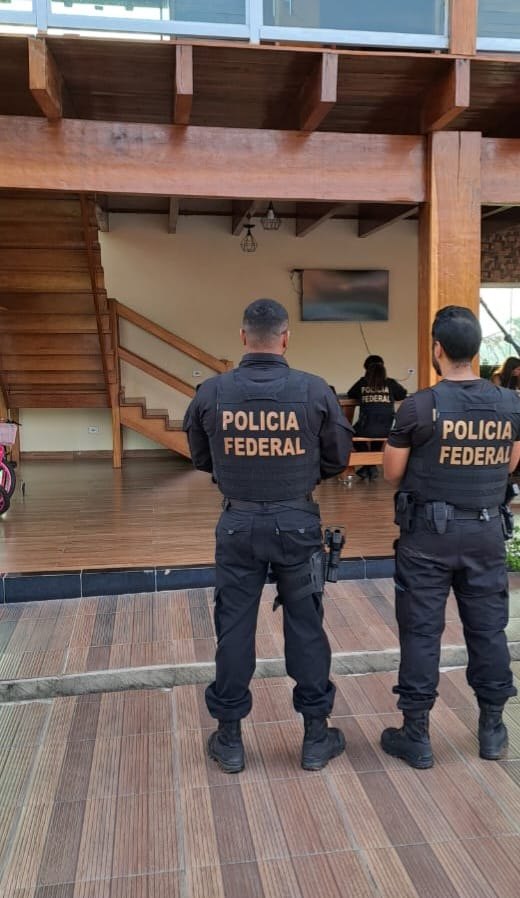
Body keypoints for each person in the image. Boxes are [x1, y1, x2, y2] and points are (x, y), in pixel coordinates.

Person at [183, 298, 353, 773]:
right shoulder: (314, 390)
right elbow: (338, 458)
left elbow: (200, 457)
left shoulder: (212, 392)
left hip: (237, 525)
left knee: (234, 628)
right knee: (306, 626)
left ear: (243, 337)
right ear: (286, 338)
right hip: (298, 525)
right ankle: (315, 736)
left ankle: (230, 739)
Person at [381, 305, 520, 769]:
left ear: (436, 349)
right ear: (476, 351)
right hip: (486, 532)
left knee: (421, 631)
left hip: (428, 538)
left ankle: (417, 735)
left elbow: (391, 473)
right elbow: (510, 463)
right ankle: (493, 730)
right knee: (488, 629)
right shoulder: (510, 404)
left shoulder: (419, 406)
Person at [347, 354, 407, 480]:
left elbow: (350, 394)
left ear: (366, 370)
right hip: (387, 430)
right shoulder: (390, 383)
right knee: (378, 428)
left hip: (365, 428)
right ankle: (371, 465)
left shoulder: (362, 383)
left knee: (348, 433)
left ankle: (368, 465)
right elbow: (402, 394)